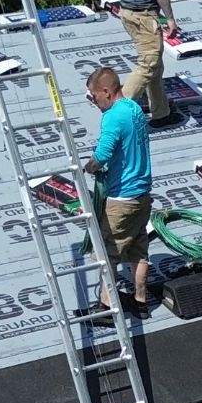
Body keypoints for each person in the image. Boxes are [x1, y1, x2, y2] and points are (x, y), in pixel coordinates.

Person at [85, 66, 155, 311]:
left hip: (122, 197)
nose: (94, 102)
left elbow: (103, 154)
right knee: (138, 249)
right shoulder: (134, 108)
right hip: (142, 194)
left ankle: (106, 307)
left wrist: (89, 167)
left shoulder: (113, 116)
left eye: (94, 96)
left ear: (106, 91)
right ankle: (140, 302)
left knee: (108, 253)